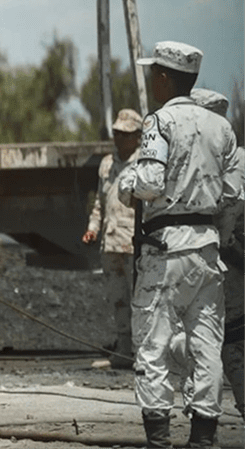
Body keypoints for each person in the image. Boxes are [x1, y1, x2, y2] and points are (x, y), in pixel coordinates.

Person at [117, 41, 241, 449]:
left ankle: (159, 439)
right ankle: (203, 438)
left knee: (153, 345)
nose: (152, 79)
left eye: (154, 72)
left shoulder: (160, 122)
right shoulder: (222, 128)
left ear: (166, 77)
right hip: (207, 251)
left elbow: (150, 183)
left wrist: (127, 184)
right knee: (207, 346)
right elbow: (229, 196)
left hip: (166, 248)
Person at [184, 89, 244, 423]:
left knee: (214, 342)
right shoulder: (236, 157)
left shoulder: (204, 161)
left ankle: (201, 422)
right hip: (225, 266)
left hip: (220, 267)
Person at [82, 108, 142, 369]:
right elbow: (100, 203)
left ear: (138, 136)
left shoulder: (145, 164)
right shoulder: (107, 164)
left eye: (125, 134)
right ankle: (124, 349)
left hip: (134, 243)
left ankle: (143, 353)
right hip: (111, 242)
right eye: (116, 133)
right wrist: (93, 228)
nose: (119, 138)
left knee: (139, 300)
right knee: (118, 299)